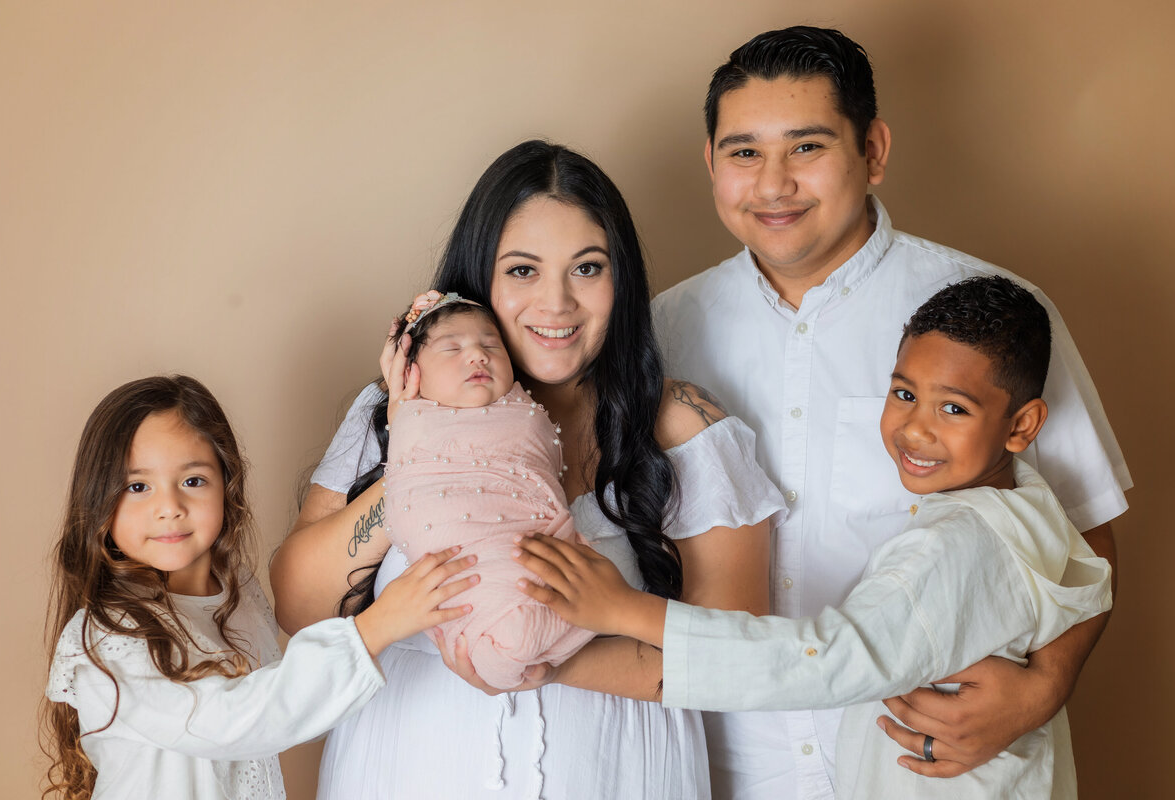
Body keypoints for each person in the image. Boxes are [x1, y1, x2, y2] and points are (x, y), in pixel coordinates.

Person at [649, 26, 1130, 798]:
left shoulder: (994, 318)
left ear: (872, 149)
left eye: (807, 147)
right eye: (743, 153)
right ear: (711, 162)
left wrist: (1047, 686)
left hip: (928, 769)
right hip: (731, 763)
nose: (773, 185)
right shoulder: (658, 334)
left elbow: (1084, 535)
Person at [269, 140, 785, 799]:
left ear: (620, 281)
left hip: (617, 773)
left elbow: (740, 662)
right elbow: (299, 609)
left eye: (587, 268)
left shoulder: (683, 426)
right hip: (411, 764)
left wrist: (538, 664)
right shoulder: (394, 410)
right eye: (521, 271)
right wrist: (421, 456)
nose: (556, 303)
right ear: (479, 279)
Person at [515, 275, 1113, 799]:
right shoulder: (1027, 508)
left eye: (953, 409)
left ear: (1023, 425)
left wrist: (621, 614)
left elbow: (823, 662)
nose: (915, 429)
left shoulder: (953, 546)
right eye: (903, 394)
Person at [41, 375, 477, 800]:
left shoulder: (238, 596)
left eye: (192, 481)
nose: (169, 508)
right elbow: (233, 722)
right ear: (101, 500)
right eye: (138, 487)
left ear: (226, 484)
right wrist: (376, 627)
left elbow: (284, 712)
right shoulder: (106, 635)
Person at [380, 292, 595, 689]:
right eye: (452, 348)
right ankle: (519, 632)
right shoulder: (410, 423)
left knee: (582, 587)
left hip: (535, 561)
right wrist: (401, 415)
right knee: (506, 620)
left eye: (491, 346)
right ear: (412, 374)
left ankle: (534, 629)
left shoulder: (526, 412)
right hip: (467, 571)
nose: (478, 356)